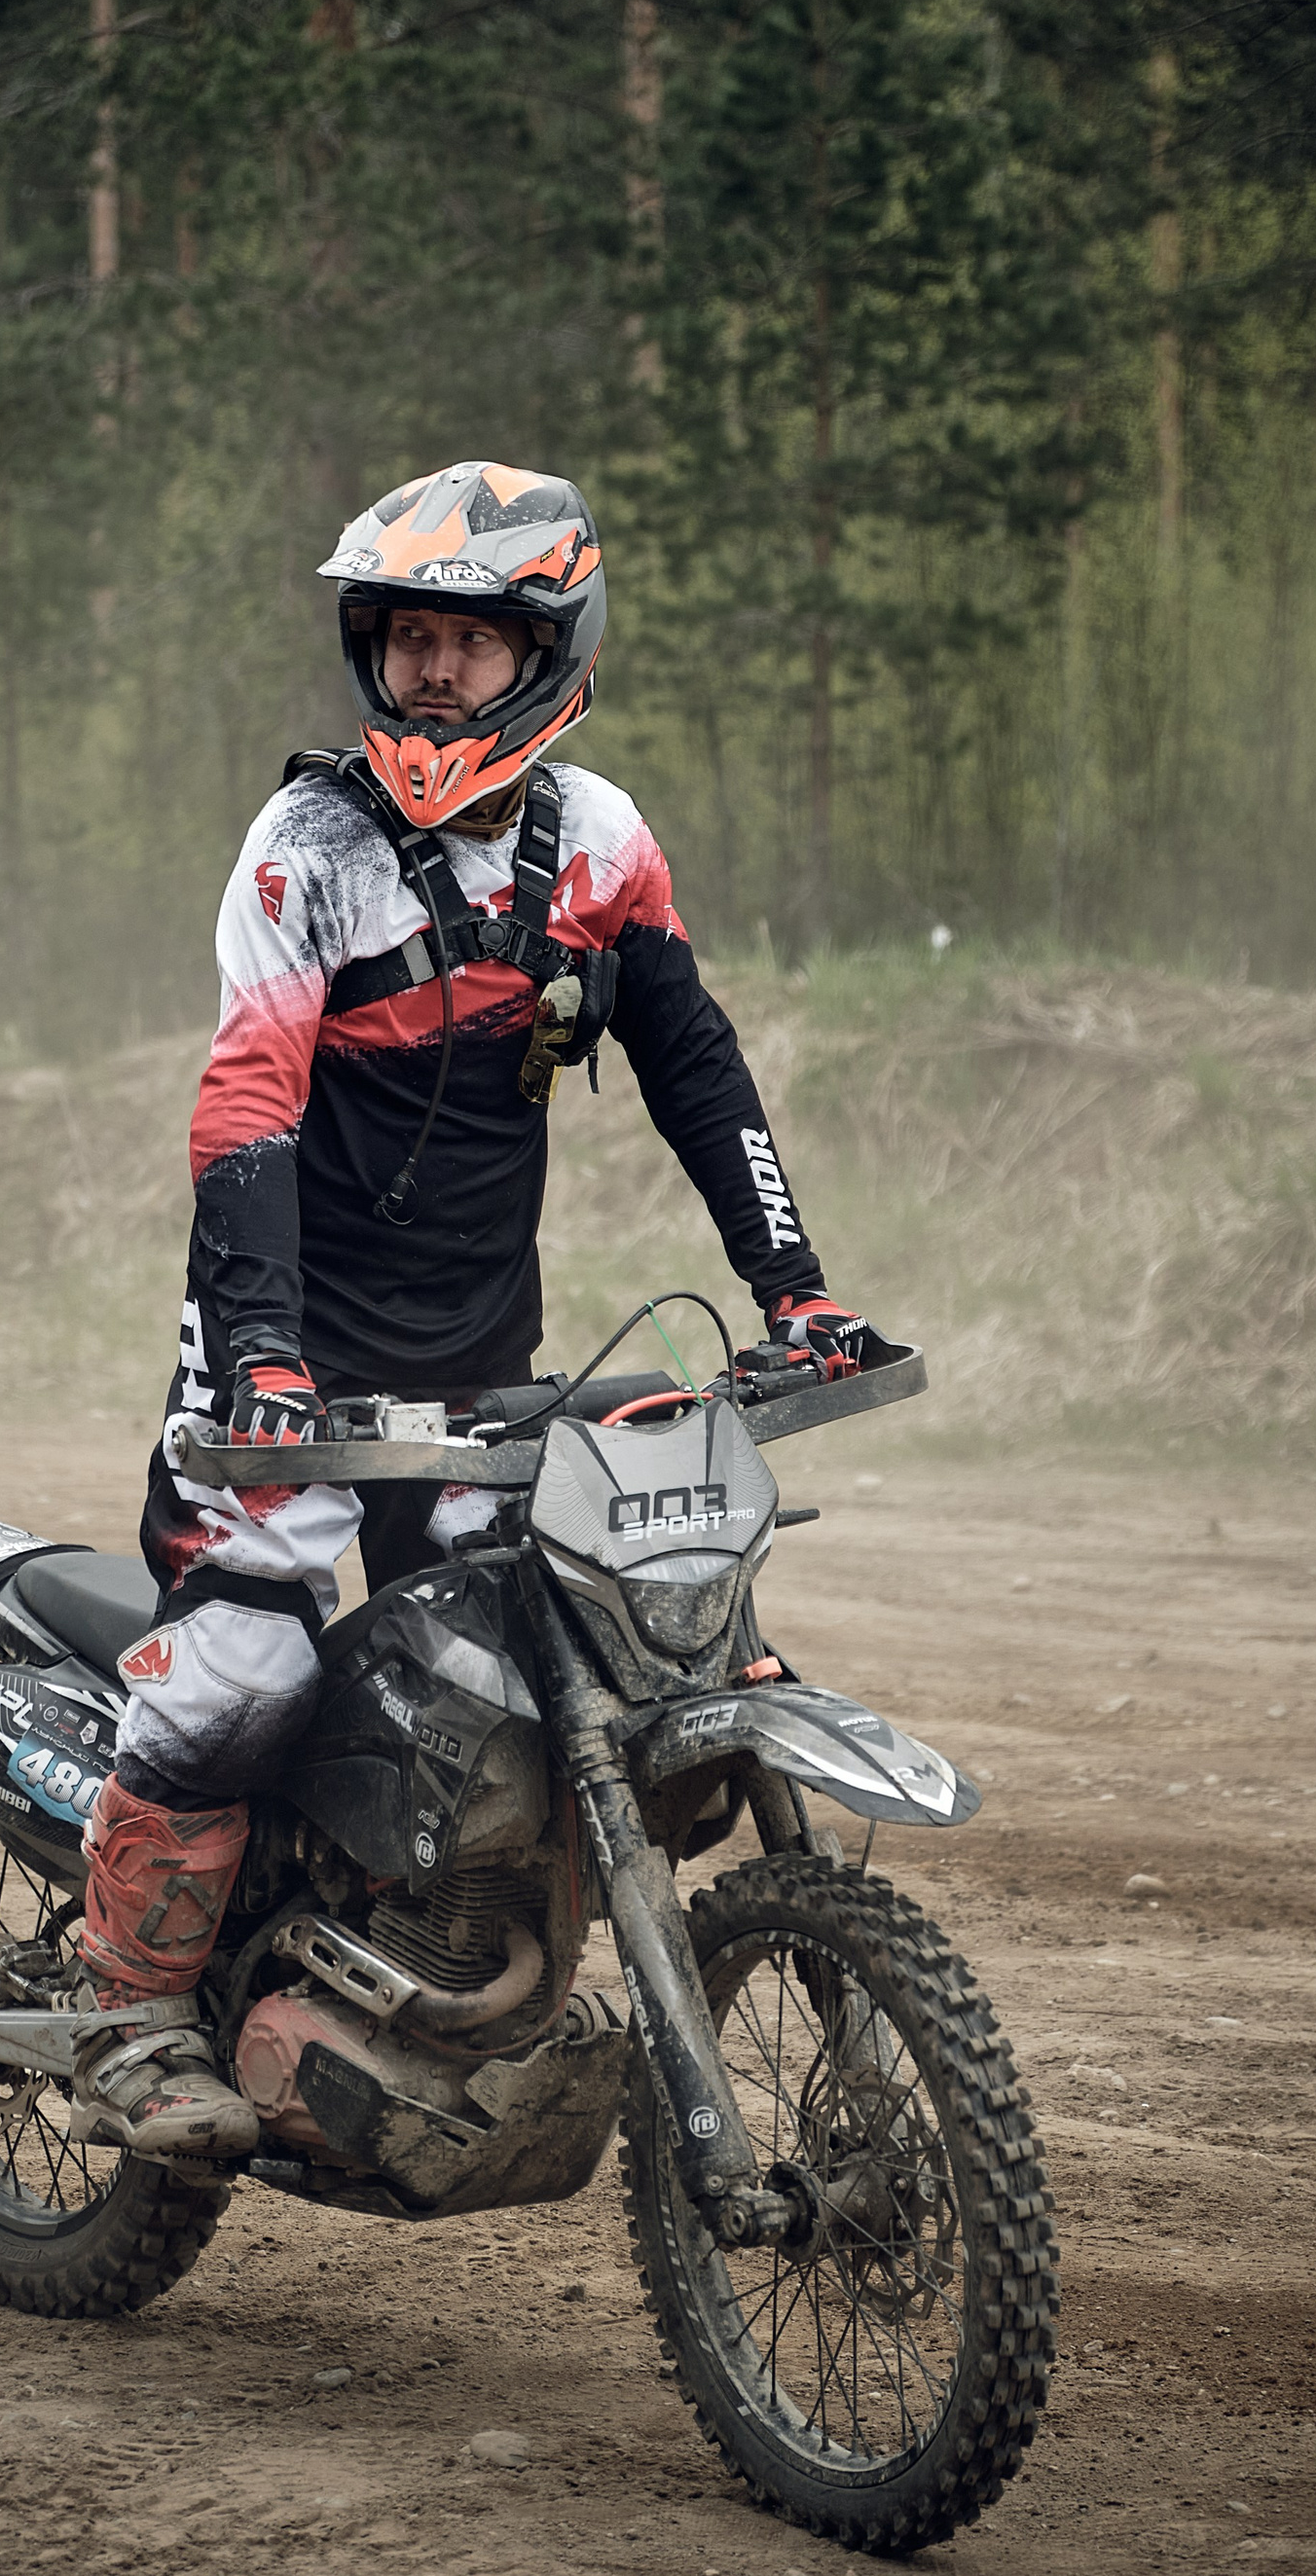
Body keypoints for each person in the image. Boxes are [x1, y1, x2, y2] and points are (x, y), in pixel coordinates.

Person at [67, 459, 872, 2156]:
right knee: (241, 1673)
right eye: (408, 638)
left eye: (473, 640)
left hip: (476, 1363)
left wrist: (795, 1289)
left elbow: (695, 1066)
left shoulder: (601, 845)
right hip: (287, 1357)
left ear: (548, 653)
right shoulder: (307, 848)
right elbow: (248, 1107)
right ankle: (127, 2008)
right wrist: (261, 1347)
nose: (433, 672)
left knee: (531, 1684)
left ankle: (437, 1971)